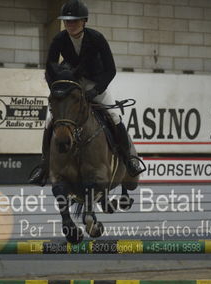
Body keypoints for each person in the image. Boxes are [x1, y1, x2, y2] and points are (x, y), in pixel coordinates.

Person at [29, 0, 143, 186]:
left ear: (84, 21)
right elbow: (50, 70)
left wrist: (95, 91)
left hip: (96, 84)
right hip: (70, 86)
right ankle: (44, 165)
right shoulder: (59, 39)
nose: (70, 24)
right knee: (50, 120)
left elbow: (111, 70)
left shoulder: (97, 38)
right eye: (67, 21)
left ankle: (128, 159)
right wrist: (57, 92)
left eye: (74, 21)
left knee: (115, 117)